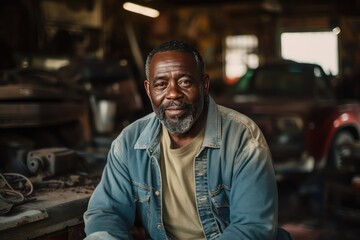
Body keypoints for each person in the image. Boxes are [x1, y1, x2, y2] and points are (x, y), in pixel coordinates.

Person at [83, 40, 282, 239]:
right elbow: (106, 212)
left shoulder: (242, 139)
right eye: (161, 84)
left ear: (204, 84)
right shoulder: (129, 142)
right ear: (148, 89)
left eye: (185, 82)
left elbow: (252, 228)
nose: (173, 94)